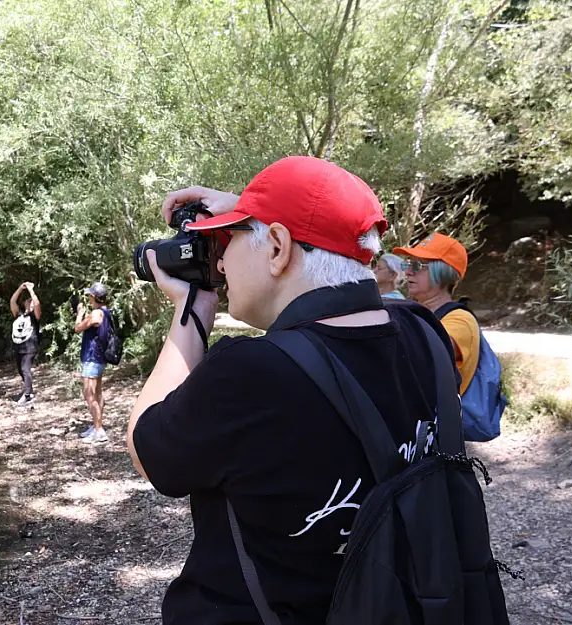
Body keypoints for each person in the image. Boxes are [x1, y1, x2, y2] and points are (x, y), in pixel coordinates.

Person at [126, 156, 457, 624]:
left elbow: (147, 448)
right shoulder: (424, 333)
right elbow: (326, 233)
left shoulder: (252, 373)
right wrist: (256, 210)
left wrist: (194, 309)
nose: (220, 260)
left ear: (277, 246)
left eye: (232, 241)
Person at [395, 233, 479, 395]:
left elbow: (428, 351)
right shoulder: (414, 311)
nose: (409, 272)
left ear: (443, 273)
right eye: (408, 264)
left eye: (419, 266)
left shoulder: (462, 320)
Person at [74, 281, 109, 444]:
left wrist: (80, 313)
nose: (89, 298)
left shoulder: (95, 314)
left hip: (92, 357)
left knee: (89, 395)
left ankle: (99, 430)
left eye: (90, 296)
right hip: (99, 357)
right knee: (97, 393)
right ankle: (96, 426)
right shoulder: (106, 311)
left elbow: (78, 328)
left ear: (94, 297)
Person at [9, 281, 42, 406]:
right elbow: (12, 302)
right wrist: (20, 288)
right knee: (20, 370)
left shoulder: (34, 316)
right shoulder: (19, 315)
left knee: (25, 368)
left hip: (30, 347)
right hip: (18, 347)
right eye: (27, 301)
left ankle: (27, 395)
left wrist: (31, 290)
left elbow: (37, 304)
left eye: (31, 301)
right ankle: (29, 390)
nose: (29, 302)